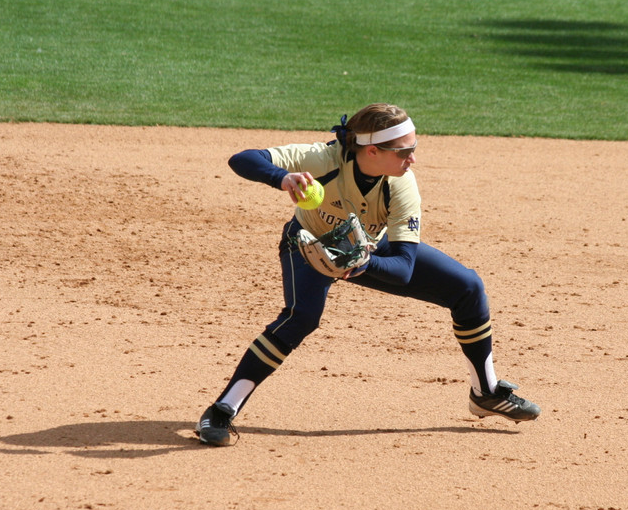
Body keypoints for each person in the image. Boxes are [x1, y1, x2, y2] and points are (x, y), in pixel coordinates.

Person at [195, 103, 540, 446]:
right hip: (308, 246)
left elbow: (403, 268)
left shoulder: (401, 185)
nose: (413, 159)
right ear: (372, 150)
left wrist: (358, 264)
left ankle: (486, 391)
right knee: (301, 317)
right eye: (405, 151)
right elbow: (243, 158)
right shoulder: (322, 159)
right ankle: (222, 409)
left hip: (368, 250)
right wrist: (282, 177)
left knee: (467, 287)